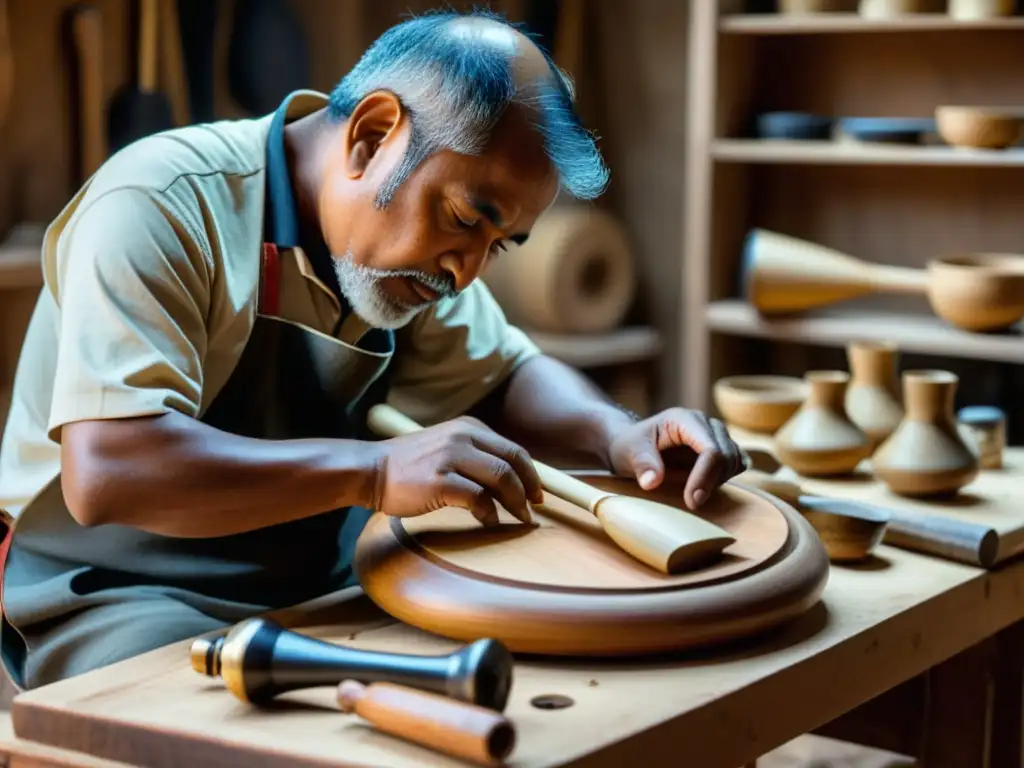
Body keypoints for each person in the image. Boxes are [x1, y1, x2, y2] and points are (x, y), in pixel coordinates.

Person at [0, 8, 746, 690]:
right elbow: (111, 470)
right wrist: (376, 471)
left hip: (307, 575)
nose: (465, 270)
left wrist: (618, 434)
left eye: (499, 245)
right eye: (463, 219)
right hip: (112, 590)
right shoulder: (162, 201)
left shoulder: (407, 259)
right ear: (371, 135)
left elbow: (505, 372)